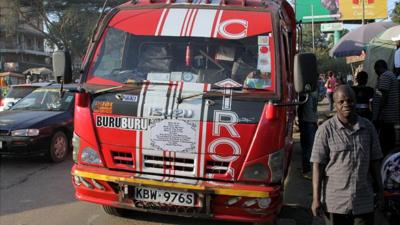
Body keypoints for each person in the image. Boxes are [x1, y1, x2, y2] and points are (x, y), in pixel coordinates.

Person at [311, 85, 384, 225]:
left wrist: (381, 192)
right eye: (341, 102)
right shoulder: (325, 130)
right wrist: (315, 198)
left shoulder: (368, 128)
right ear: (335, 104)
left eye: (350, 100)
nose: (346, 104)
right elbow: (317, 165)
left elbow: (375, 162)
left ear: (355, 101)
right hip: (335, 203)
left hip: (363, 201)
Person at [372, 60, 400, 155]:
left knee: (385, 137)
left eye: (375, 69)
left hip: (386, 114)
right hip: (390, 113)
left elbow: (383, 96)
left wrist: (378, 114)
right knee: (389, 135)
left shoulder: (385, 76)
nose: (375, 71)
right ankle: (390, 153)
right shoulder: (391, 75)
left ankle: (387, 155)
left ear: (378, 67)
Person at [297, 90, 318, 179]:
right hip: (306, 122)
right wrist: (300, 120)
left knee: (310, 147)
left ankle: (305, 168)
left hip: (312, 121)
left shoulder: (314, 90)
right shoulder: (304, 92)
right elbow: (300, 107)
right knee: (308, 147)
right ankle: (306, 170)